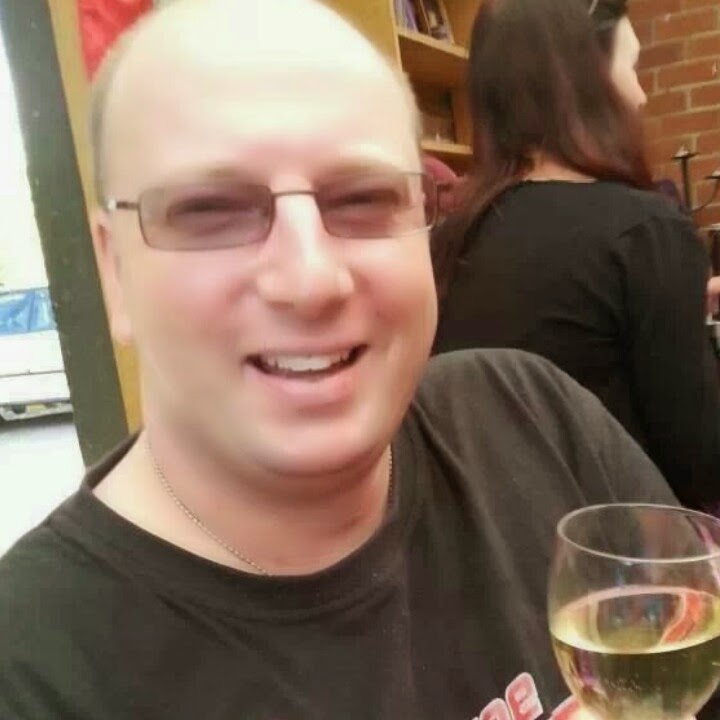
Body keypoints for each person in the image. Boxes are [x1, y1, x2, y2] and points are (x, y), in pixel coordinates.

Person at [0, 1, 681, 718]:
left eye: (363, 198)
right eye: (210, 210)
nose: (310, 279)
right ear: (114, 271)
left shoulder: (532, 420)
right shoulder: (33, 672)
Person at [432, 0, 720, 512]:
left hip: (482, 540)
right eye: (632, 68)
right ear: (584, 83)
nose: (641, 95)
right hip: (607, 549)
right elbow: (702, 466)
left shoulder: (444, 241)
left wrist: (673, 308)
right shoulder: (645, 231)